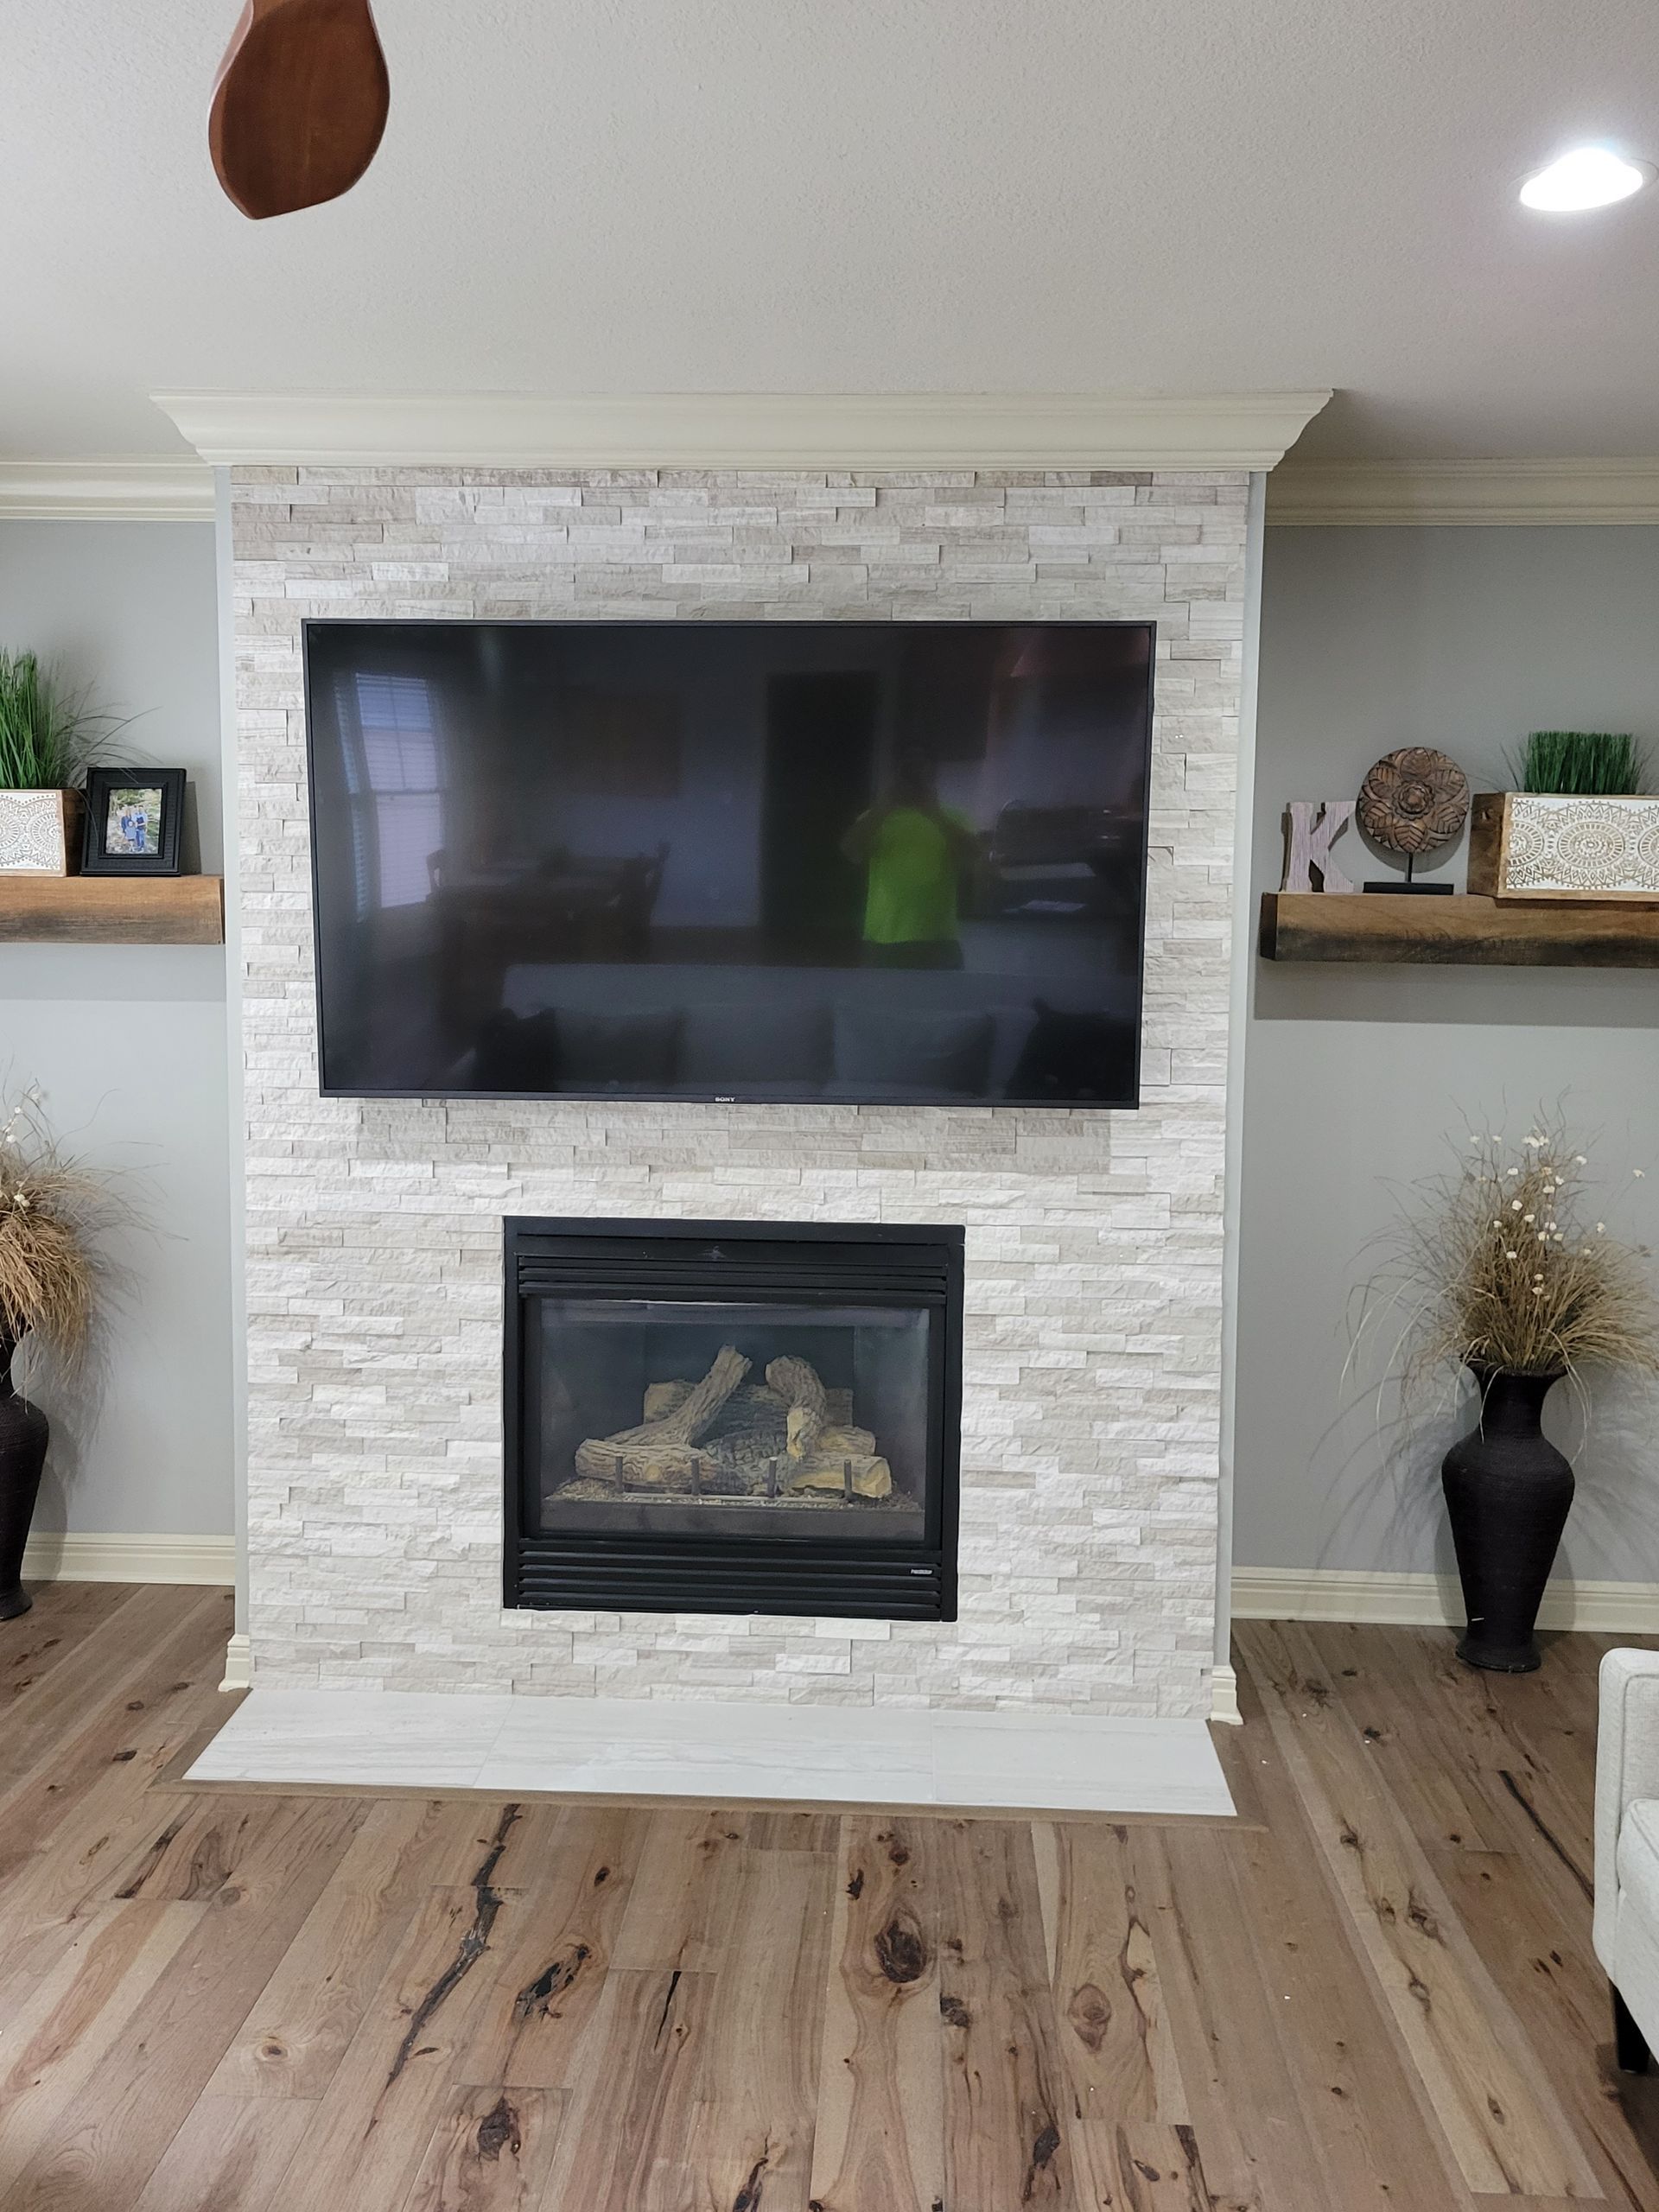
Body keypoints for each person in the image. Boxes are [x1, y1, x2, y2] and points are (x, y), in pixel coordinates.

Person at [842, 747, 976, 968]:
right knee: (882, 1003)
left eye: (921, 772)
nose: (914, 782)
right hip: (883, 939)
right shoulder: (875, 818)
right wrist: (883, 808)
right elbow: (849, 850)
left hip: (939, 939)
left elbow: (973, 855)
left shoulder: (955, 817)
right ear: (895, 777)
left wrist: (935, 814)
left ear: (934, 775)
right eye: (908, 773)